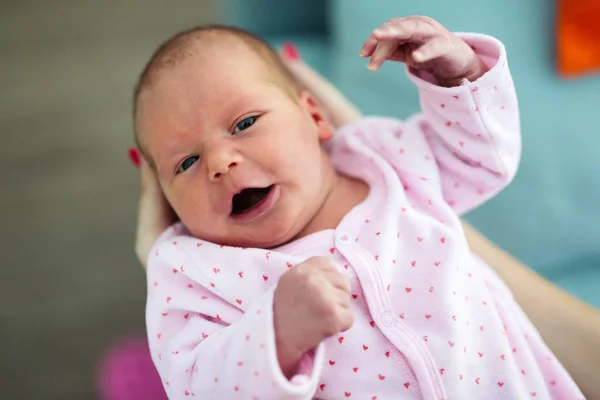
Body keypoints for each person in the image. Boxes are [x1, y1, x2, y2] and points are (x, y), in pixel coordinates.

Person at [129, 15, 595, 399]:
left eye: (244, 122)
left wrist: (459, 79)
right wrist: (275, 334)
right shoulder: (190, 269)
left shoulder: (381, 158)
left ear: (314, 116)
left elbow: (482, 161)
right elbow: (193, 383)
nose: (219, 162)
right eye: (185, 162)